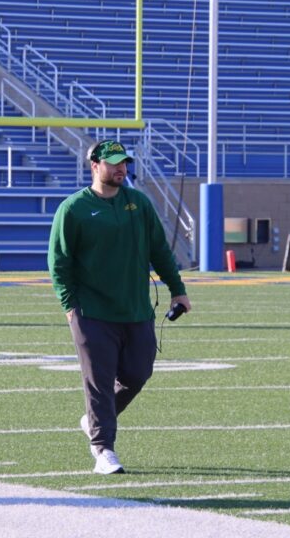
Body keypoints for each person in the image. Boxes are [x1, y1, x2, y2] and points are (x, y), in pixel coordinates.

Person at [47, 139, 191, 474]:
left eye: (123, 162)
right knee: (98, 380)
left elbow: (159, 251)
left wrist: (178, 290)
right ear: (95, 166)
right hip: (92, 312)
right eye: (113, 163)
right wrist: (71, 308)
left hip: (136, 309)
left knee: (138, 373)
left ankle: (93, 421)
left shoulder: (138, 203)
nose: (121, 169)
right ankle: (103, 449)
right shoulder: (74, 209)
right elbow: (59, 263)